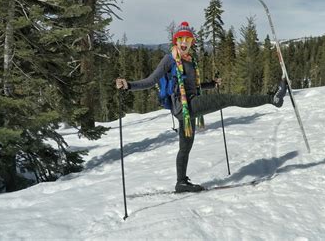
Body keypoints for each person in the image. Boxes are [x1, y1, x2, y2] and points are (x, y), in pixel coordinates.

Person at [116, 21, 287, 193]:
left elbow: (194, 86)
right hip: (185, 106)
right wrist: (128, 85)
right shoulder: (169, 59)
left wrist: (211, 84)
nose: (184, 43)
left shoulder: (190, 61)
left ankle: (180, 183)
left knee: (185, 148)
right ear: (176, 41)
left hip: (187, 108)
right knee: (229, 98)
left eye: (188, 40)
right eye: (181, 39)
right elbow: (151, 80)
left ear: (191, 42)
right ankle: (272, 99)